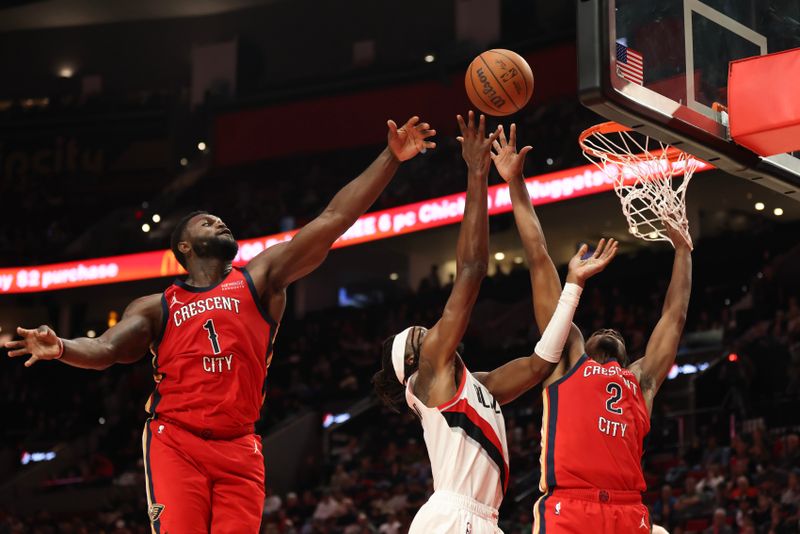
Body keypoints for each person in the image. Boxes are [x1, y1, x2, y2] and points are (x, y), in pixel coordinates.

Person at [5, 116, 437, 533]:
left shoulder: (260, 279)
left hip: (240, 445)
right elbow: (107, 350)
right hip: (177, 439)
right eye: (207, 221)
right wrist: (62, 346)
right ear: (186, 246)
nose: (220, 221)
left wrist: (391, 158)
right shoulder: (157, 306)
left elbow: (332, 219)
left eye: (221, 219)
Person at [372, 112, 618, 534]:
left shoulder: (478, 388)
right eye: (422, 335)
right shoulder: (429, 371)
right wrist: (476, 173)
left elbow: (542, 362)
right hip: (451, 518)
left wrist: (573, 286)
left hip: (483, 520)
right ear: (416, 359)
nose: (432, 332)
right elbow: (470, 267)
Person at [491, 123, 693, 533]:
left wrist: (683, 251)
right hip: (571, 507)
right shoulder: (567, 357)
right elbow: (538, 256)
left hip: (628, 510)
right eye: (608, 331)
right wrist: (515, 183)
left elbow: (674, 317)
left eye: (620, 335)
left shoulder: (641, 380)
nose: (614, 332)